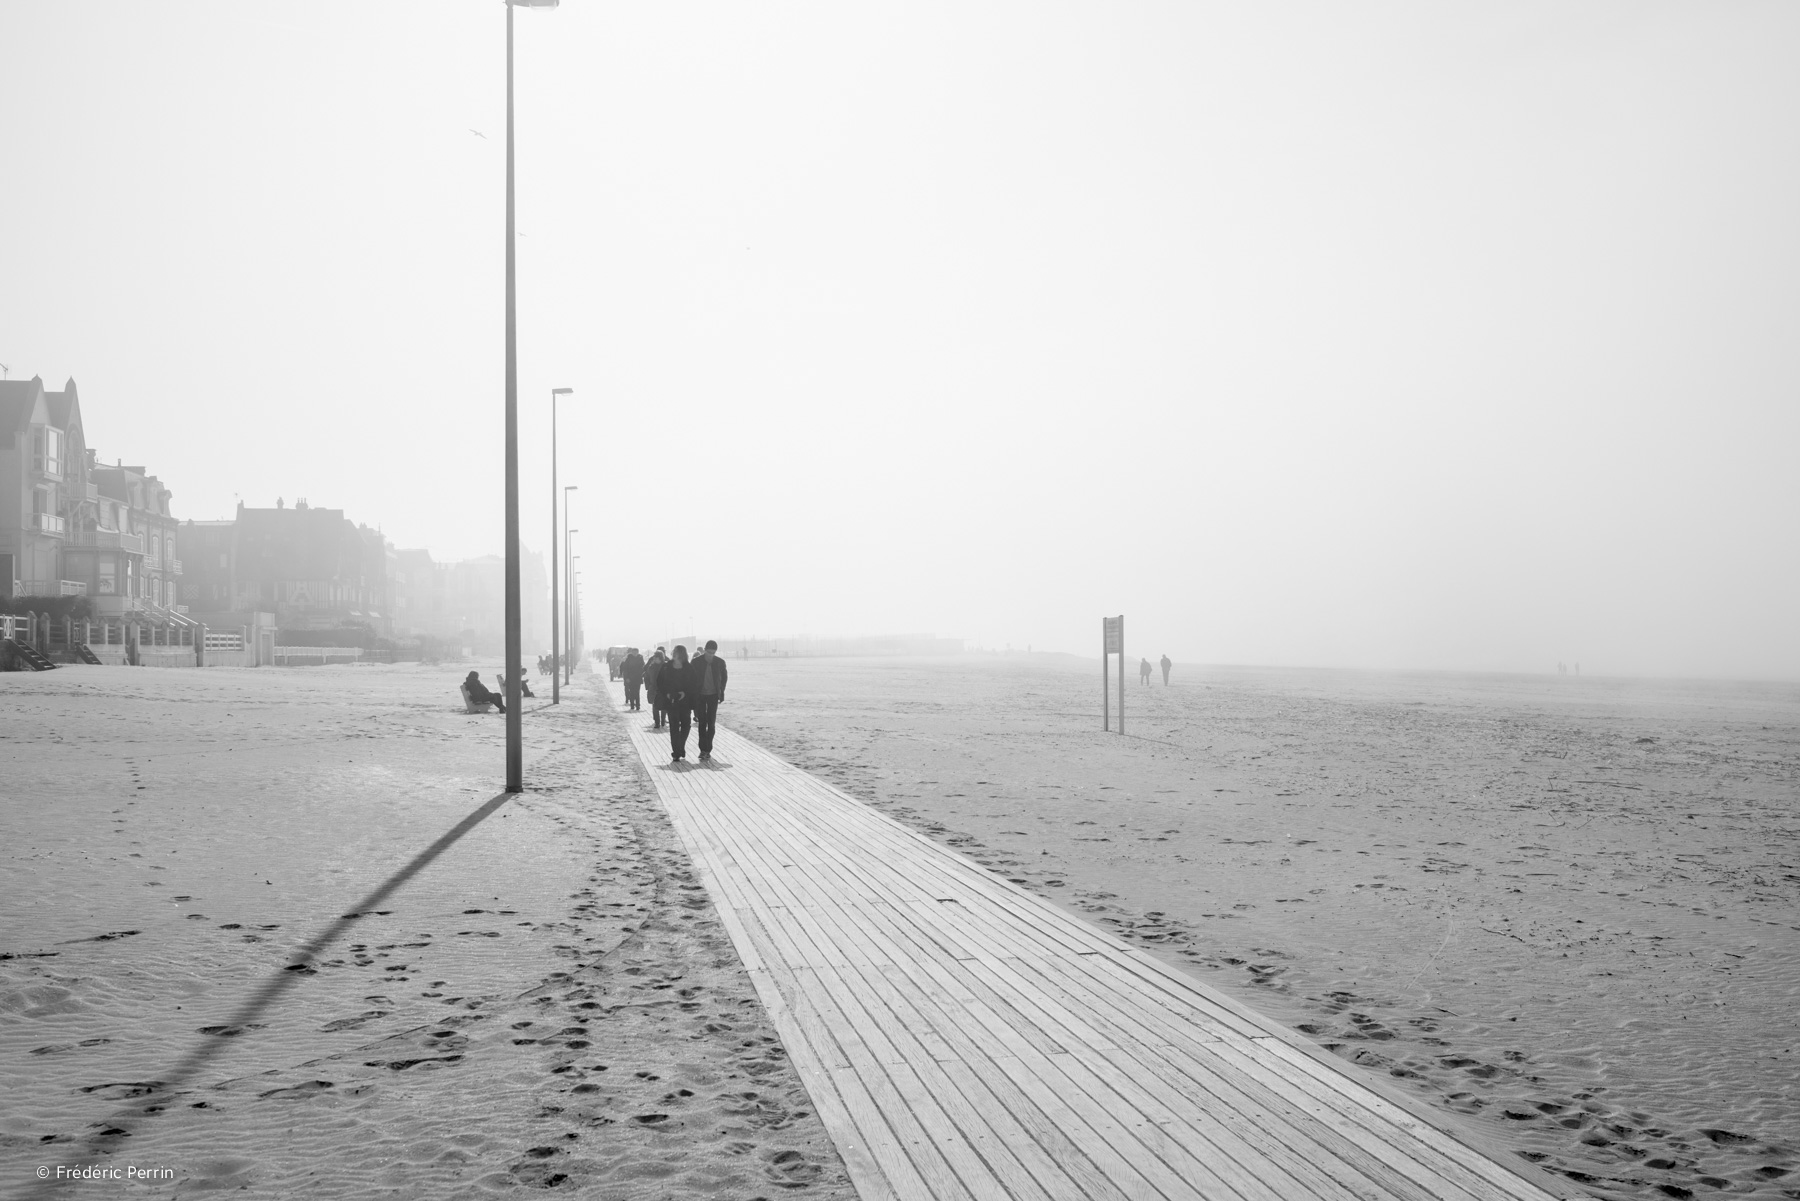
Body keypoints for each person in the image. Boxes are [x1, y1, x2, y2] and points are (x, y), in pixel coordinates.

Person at [692, 639, 730, 762]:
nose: (710, 654)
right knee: (702, 723)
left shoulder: (720, 662)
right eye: (709, 652)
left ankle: (708, 749)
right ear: (705, 650)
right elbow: (690, 678)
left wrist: (721, 691)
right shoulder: (696, 662)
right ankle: (703, 750)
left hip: (714, 695)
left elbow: (724, 678)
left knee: (711, 723)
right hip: (700, 695)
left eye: (713, 652)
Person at [660, 645, 695, 762]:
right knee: (674, 726)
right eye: (675, 653)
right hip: (671, 701)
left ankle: (680, 746)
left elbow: (694, 684)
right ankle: (676, 752)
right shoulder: (666, 667)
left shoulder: (689, 668)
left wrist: (685, 693)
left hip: (685, 701)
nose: (676, 656)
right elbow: (659, 682)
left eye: (679, 654)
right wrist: (667, 694)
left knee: (686, 725)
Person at [643, 646, 669, 729]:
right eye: (654, 657)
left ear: (661, 658)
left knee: (664, 706)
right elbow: (646, 677)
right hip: (653, 689)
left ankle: (663, 721)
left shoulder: (666, 666)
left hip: (663, 689)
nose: (655, 659)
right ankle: (657, 722)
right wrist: (648, 687)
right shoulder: (651, 667)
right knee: (655, 706)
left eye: (657, 658)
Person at [622, 646, 645, 711]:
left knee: (637, 692)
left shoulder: (640, 658)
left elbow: (643, 667)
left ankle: (638, 705)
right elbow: (625, 669)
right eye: (634, 652)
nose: (635, 653)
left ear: (638, 652)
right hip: (630, 678)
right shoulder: (628, 658)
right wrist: (626, 678)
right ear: (632, 652)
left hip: (638, 678)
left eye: (636, 652)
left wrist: (643, 675)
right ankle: (632, 705)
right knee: (632, 692)